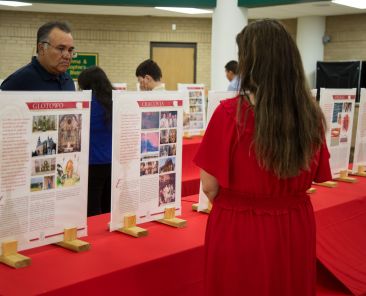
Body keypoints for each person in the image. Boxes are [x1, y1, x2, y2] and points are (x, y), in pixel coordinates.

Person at [194, 19, 331, 296]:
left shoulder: (230, 114)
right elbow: (317, 174)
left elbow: (209, 186)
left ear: (251, 63)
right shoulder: (311, 116)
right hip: (293, 225)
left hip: (241, 225)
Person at [78, 66, 114, 216]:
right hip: (112, 161)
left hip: (93, 162)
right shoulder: (114, 101)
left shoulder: (88, 104)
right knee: (108, 203)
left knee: (92, 204)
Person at [1, 21, 75, 91]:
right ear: (42, 48)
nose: (67, 56)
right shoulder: (18, 82)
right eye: (61, 49)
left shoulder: (68, 81)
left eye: (70, 50)